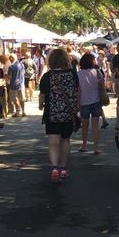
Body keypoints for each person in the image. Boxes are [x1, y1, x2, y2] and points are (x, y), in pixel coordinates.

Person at [38, 48, 80, 183]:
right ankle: (63, 168)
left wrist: (40, 105)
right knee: (65, 141)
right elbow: (78, 91)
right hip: (68, 114)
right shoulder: (72, 74)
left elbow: (42, 95)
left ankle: (54, 168)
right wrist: (76, 107)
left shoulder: (47, 76)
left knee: (53, 142)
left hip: (52, 114)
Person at [76, 52, 105, 154]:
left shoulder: (78, 74)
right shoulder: (97, 72)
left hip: (84, 102)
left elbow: (78, 91)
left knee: (84, 126)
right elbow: (102, 87)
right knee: (95, 126)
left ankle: (84, 146)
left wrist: (78, 104)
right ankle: (96, 148)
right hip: (96, 101)